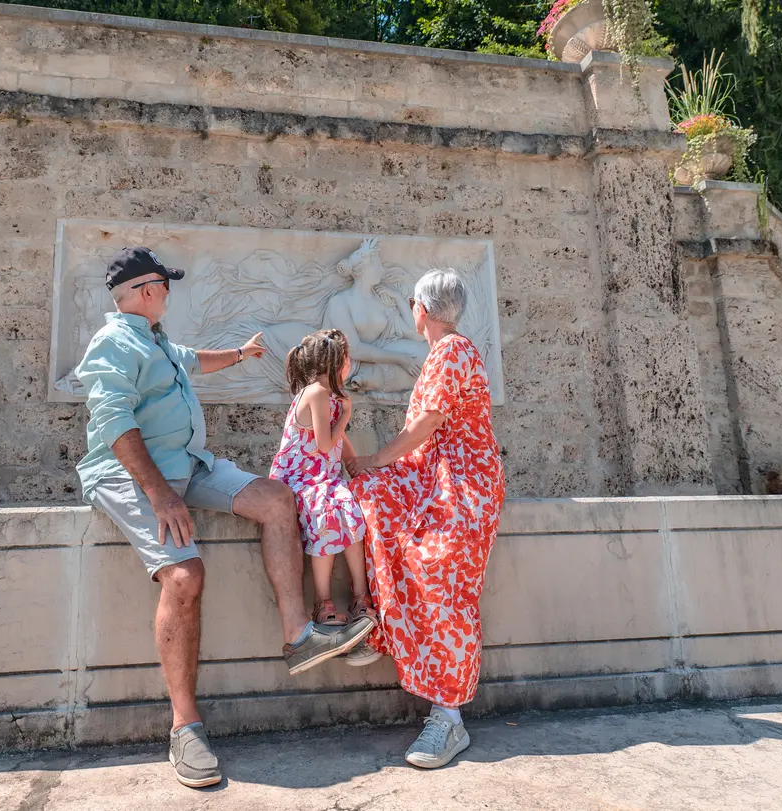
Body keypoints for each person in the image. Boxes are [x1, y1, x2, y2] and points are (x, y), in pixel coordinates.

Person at [75, 247, 375, 789]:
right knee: (185, 575)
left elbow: (195, 359)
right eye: (164, 285)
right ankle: (185, 726)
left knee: (278, 498)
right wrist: (161, 495)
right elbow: (114, 420)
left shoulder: (158, 340)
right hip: (135, 477)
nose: (169, 292)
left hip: (190, 466)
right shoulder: (114, 342)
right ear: (147, 289)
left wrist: (240, 354)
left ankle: (299, 636)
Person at [346, 268, 506, 770]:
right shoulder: (448, 352)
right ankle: (380, 627)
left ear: (422, 309)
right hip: (440, 480)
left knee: (443, 579)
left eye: (413, 303)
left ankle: (449, 717)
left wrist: (375, 459)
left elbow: (428, 423)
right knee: (367, 499)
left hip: (464, 486)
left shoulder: (452, 351)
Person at [267, 329, 373, 629]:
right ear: (339, 362)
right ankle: (323, 601)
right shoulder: (316, 393)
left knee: (351, 508)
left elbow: (340, 445)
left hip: (322, 480)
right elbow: (325, 444)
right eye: (348, 356)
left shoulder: (331, 397)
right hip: (301, 480)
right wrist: (347, 415)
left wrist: (357, 466)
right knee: (325, 514)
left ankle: (360, 595)